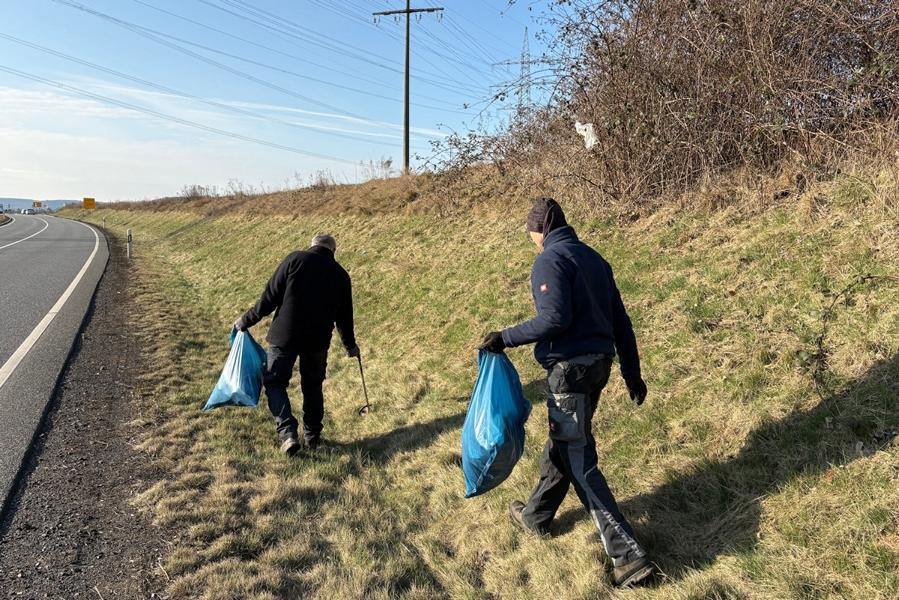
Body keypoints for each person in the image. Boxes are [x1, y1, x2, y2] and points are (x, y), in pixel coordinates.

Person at [480, 198, 653, 588]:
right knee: (564, 444)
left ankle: (629, 557)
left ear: (539, 230)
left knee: (579, 459)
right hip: (598, 367)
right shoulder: (594, 259)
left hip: (569, 374)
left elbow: (554, 318)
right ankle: (536, 517)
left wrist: (504, 338)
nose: (531, 241)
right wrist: (631, 373)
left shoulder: (549, 259)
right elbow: (621, 323)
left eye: (531, 234)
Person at [235, 234, 359, 455]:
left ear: (312, 245)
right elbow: (344, 317)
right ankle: (313, 437)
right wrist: (350, 346)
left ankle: (288, 433)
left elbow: (269, 297)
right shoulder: (341, 275)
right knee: (312, 386)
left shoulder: (295, 259)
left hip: (285, 336)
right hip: (317, 341)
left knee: (275, 382)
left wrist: (245, 321)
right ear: (333, 251)